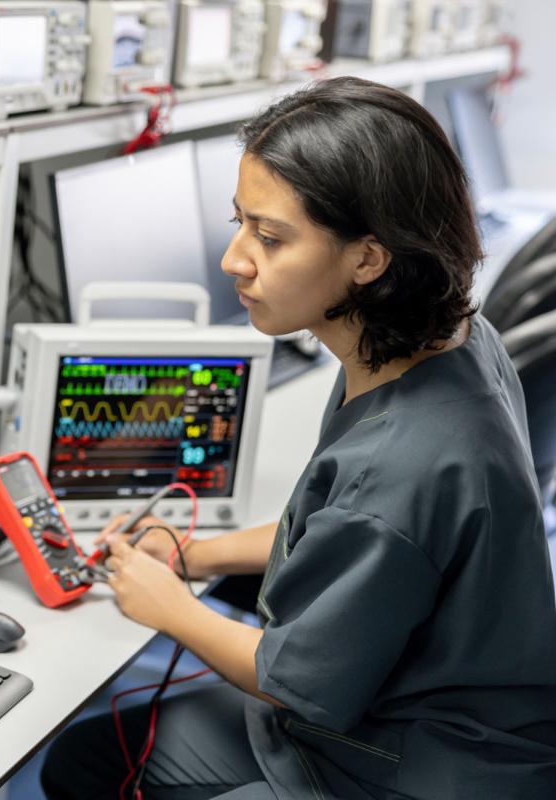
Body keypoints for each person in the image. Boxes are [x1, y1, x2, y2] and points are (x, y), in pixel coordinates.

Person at [40, 77, 556, 799]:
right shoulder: (448, 342)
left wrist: (169, 606)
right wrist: (197, 554)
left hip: (408, 769)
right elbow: (348, 526)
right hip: (415, 716)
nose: (234, 259)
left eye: (271, 237)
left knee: (97, 759)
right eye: (240, 222)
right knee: (92, 755)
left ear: (369, 259)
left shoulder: (404, 461)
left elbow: (291, 682)